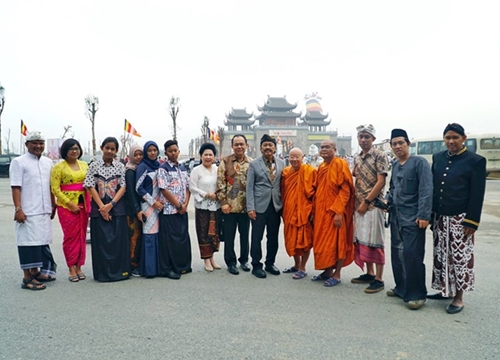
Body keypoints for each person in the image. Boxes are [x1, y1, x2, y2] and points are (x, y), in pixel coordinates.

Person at [430, 123, 486, 314]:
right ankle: (445, 290)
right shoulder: (438, 158)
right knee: (441, 255)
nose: (451, 141)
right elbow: (434, 189)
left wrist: (472, 221)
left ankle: (459, 298)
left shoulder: (476, 161)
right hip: (440, 217)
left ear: (464, 138)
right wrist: (431, 215)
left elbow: (477, 194)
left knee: (460, 258)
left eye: (455, 137)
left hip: (461, 219)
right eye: (448, 138)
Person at [386, 129, 432, 309]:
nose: (397, 146)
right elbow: (393, 188)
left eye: (400, 143)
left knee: (412, 255)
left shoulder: (419, 163)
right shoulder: (396, 165)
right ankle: (401, 287)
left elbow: (426, 190)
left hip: (413, 218)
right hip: (396, 217)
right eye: (394, 144)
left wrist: (423, 215)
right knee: (397, 254)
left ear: (408, 144)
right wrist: (387, 199)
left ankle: (417, 294)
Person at [11, 131, 57, 290]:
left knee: (40, 242)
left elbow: (51, 186)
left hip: (44, 210)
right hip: (27, 211)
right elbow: (16, 187)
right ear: (27, 145)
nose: (38, 146)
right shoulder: (19, 162)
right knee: (27, 243)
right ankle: (27, 278)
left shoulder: (48, 162)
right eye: (34, 143)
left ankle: (36, 272)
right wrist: (18, 209)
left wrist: (53, 204)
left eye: (41, 143)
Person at [84, 137, 130, 282]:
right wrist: (102, 208)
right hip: (99, 209)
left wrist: (111, 205)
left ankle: (120, 272)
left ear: (116, 151)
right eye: (107, 148)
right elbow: (91, 186)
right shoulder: (94, 166)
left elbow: (123, 186)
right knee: (101, 243)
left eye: (113, 149)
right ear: (102, 147)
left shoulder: (120, 166)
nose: (109, 151)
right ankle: (102, 274)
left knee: (118, 242)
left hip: (117, 208)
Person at [311, 139, 355, 287]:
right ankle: (327, 271)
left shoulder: (340, 164)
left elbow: (345, 190)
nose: (323, 149)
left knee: (338, 242)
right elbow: (318, 190)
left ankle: (337, 274)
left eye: (327, 147)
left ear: (334, 149)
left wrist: (338, 212)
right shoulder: (321, 166)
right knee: (323, 243)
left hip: (335, 211)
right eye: (322, 147)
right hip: (321, 212)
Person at [351, 124, 389, 293]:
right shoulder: (357, 157)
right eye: (361, 137)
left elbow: (381, 182)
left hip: (373, 205)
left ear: (373, 139)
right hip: (359, 205)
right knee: (363, 239)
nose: (364, 140)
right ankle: (369, 273)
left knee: (376, 241)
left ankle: (379, 279)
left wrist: (366, 202)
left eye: (367, 137)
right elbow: (355, 176)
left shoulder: (380, 155)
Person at [51, 138, 90, 282]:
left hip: (83, 205)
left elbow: (90, 184)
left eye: (77, 148)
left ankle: (79, 266)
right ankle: (71, 268)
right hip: (66, 207)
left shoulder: (85, 165)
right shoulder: (59, 167)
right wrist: (69, 204)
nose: (75, 151)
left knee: (81, 237)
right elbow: (55, 188)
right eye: (71, 149)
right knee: (70, 237)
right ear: (65, 151)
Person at [246, 134, 285, 279]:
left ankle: (270, 263)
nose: (268, 148)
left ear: (275, 148)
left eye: (270, 145)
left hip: (275, 206)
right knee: (257, 237)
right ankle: (256, 265)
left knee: (273, 237)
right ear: (261, 148)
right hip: (258, 207)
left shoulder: (282, 163)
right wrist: (250, 207)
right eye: (265, 145)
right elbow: (249, 187)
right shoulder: (254, 164)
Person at [216, 134, 252, 275]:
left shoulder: (251, 162)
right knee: (229, 236)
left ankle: (244, 260)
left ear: (246, 145)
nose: (239, 147)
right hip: (229, 208)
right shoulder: (225, 162)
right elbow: (220, 183)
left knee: (245, 235)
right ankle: (231, 262)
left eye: (241, 144)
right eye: (236, 144)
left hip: (245, 207)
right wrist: (223, 202)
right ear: (232, 146)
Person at [157, 139, 192, 279]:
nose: (173, 153)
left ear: (179, 151)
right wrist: (178, 205)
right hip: (169, 211)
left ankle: (182, 266)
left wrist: (185, 205)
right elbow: (164, 190)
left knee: (182, 238)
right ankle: (168, 269)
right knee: (169, 241)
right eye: (170, 151)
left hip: (182, 210)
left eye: (175, 150)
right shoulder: (163, 168)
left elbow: (188, 187)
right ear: (166, 152)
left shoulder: (182, 168)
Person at [280, 147, 316, 279]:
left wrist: (313, 211)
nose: (294, 159)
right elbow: (282, 192)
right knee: (292, 239)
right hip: (289, 210)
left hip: (304, 211)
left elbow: (315, 193)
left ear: (303, 157)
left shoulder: (310, 171)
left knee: (304, 240)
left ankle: (303, 267)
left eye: (297, 157)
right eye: (292, 157)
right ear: (288, 158)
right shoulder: (285, 172)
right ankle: (296, 264)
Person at [189, 143, 222, 272]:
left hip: (216, 206)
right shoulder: (196, 170)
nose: (208, 157)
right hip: (203, 206)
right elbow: (192, 187)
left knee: (214, 233)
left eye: (210, 155)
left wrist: (218, 194)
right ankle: (206, 260)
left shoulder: (217, 169)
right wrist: (206, 194)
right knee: (203, 233)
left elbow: (222, 183)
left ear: (214, 156)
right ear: (201, 156)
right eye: (205, 154)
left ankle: (212, 258)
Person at [136, 141, 163, 278]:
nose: (153, 153)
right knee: (149, 234)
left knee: (158, 234)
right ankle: (149, 269)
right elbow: (138, 188)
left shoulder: (159, 166)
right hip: (148, 206)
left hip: (160, 205)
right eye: (150, 150)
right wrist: (153, 203)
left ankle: (158, 267)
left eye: (155, 150)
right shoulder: (143, 166)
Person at [124, 144, 143, 277]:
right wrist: (137, 210)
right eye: (135, 155)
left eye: (140, 154)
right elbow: (130, 192)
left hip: (140, 209)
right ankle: (133, 265)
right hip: (132, 210)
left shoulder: (140, 169)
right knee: (134, 237)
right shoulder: (130, 171)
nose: (138, 157)